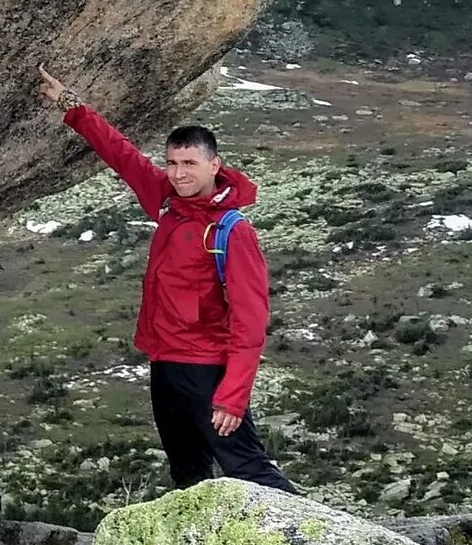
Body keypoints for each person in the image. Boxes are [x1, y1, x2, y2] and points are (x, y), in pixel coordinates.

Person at [37, 67, 294, 492]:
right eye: (172, 163)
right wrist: (71, 105)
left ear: (214, 165)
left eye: (189, 163)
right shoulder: (168, 202)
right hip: (165, 365)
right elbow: (122, 154)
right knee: (188, 473)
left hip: (206, 370)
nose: (178, 173)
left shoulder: (231, 230)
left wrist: (233, 394)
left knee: (248, 468)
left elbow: (251, 321)